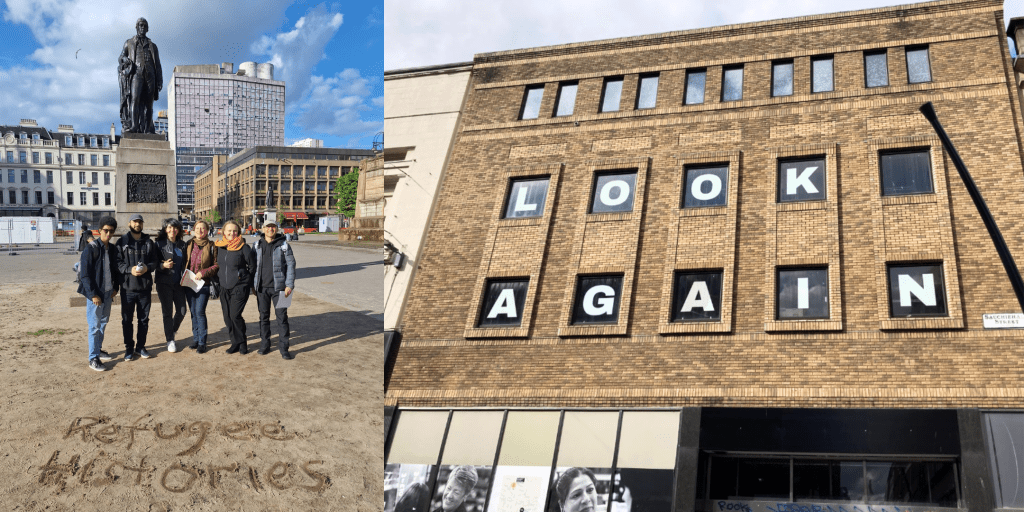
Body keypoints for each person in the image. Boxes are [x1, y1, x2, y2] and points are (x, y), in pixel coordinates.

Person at [78, 217, 122, 372]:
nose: (108, 234)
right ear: (99, 231)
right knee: (95, 326)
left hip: (108, 292)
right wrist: (93, 295)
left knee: (103, 323)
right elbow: (84, 275)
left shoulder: (113, 249)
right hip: (96, 294)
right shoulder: (91, 248)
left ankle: (98, 349)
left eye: (111, 231)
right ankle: (93, 358)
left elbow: (115, 271)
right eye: (106, 230)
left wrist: (116, 288)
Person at [117, 214, 160, 361]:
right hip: (127, 288)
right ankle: (129, 348)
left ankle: (140, 347)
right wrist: (130, 269)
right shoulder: (121, 241)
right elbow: (117, 263)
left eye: (140, 222)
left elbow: (155, 261)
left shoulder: (149, 242)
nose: (137, 224)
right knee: (127, 320)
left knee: (144, 319)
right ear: (129, 223)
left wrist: (147, 268)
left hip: (144, 288)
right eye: (135, 222)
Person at [252, 219, 296, 359]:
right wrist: (253, 285)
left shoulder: (284, 245)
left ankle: (284, 348)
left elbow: (291, 265)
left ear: (276, 229)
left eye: (273, 227)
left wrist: (289, 285)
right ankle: (265, 344)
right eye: (268, 227)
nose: (270, 229)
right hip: (261, 289)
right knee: (263, 317)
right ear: (263, 229)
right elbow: (252, 267)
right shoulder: (256, 245)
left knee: (282, 317)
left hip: (281, 289)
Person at [216, 219, 256, 354]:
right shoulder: (220, 246)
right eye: (229, 231)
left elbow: (252, 266)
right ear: (224, 232)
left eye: (235, 231)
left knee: (235, 316)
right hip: (223, 287)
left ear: (238, 232)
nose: (232, 233)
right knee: (227, 318)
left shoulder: (244, 247)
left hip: (239, 287)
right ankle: (235, 343)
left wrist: (246, 282)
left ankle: (242, 342)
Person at [118, 17, 162, 133]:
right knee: (135, 99)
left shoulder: (153, 46)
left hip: (150, 75)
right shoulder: (129, 42)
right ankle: (134, 126)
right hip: (136, 73)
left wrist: (160, 80)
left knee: (149, 104)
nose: (142, 27)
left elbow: (157, 63)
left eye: (144, 26)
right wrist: (125, 60)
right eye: (140, 25)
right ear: (137, 27)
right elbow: (121, 57)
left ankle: (148, 129)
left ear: (147, 29)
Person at [183, 220, 218, 354]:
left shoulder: (211, 246)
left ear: (207, 230)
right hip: (189, 283)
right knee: (193, 312)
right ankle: (196, 339)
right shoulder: (188, 244)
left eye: (203, 228)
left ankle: (202, 342)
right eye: (197, 228)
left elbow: (216, 265)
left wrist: (202, 273)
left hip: (204, 284)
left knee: (199, 312)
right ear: (193, 229)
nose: (200, 231)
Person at [155, 218, 187, 353]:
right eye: (169, 227)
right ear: (165, 229)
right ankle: (170, 340)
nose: (172, 230)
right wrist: (162, 265)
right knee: (167, 312)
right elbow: (152, 263)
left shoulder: (183, 245)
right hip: (164, 283)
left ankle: (172, 331)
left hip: (179, 283)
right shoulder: (158, 244)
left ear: (178, 230)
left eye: (175, 228)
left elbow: (187, 263)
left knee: (182, 311)